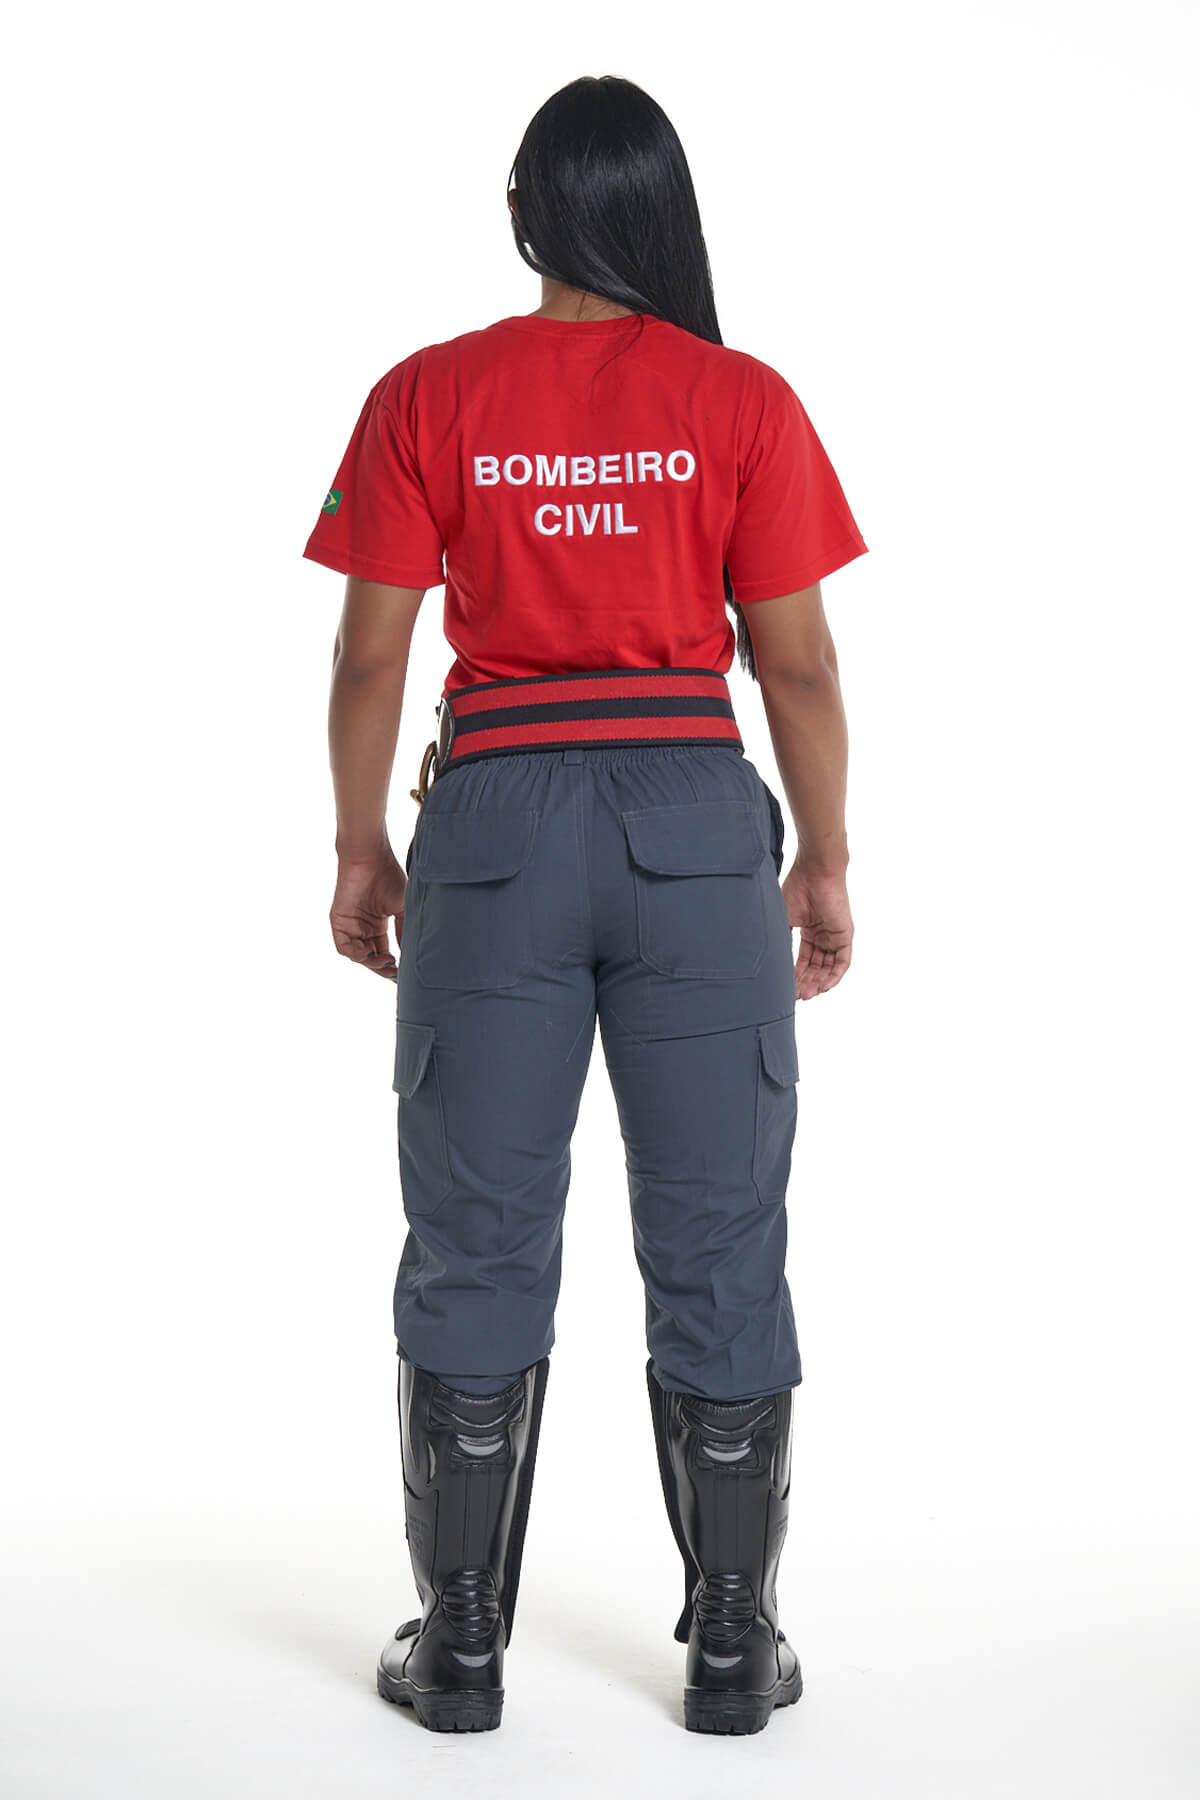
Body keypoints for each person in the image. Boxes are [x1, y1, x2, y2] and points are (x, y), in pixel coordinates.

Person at [302, 74, 867, 1737]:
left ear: (521, 213)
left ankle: (461, 1643)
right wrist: (825, 859)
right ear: (662, 212)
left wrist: (359, 843)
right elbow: (799, 667)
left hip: (493, 833)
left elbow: (371, 657)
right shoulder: (742, 401)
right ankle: (733, 1650)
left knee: (477, 1231)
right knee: (720, 1233)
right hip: (694, 832)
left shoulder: (429, 393)